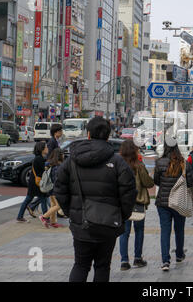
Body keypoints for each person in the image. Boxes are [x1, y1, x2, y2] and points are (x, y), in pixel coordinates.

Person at [54, 116, 137, 282]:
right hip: (108, 222)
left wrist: (72, 211)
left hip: (81, 222)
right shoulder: (117, 162)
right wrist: (122, 215)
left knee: (80, 265)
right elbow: (129, 192)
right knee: (102, 266)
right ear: (107, 136)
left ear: (88, 134)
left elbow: (59, 187)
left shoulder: (72, 161)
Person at [154, 142, 193, 272]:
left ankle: (165, 261)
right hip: (179, 202)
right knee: (179, 229)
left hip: (163, 203)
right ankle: (179, 255)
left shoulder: (159, 162)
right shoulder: (184, 163)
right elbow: (190, 182)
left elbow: (156, 181)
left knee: (165, 231)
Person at [119, 140, 154, 271]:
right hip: (138, 202)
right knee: (139, 230)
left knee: (124, 232)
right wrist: (150, 177)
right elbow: (149, 183)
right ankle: (137, 259)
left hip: (123, 203)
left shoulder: (119, 165)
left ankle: (124, 261)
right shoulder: (139, 165)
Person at [27, 123, 64, 216]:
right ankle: (50, 213)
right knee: (49, 190)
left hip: (52, 165)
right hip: (51, 166)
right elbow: (50, 155)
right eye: (61, 131)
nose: (62, 133)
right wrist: (51, 164)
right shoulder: (52, 141)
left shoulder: (55, 140)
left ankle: (45, 211)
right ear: (56, 132)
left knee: (48, 192)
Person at [16, 142, 49, 223]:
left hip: (33, 182)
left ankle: (20, 216)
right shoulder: (39, 159)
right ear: (42, 149)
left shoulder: (38, 158)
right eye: (46, 147)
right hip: (37, 183)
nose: (47, 148)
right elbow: (42, 171)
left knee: (29, 199)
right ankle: (46, 218)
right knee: (43, 199)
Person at [38, 148, 65, 228]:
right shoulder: (57, 166)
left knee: (53, 205)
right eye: (62, 154)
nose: (64, 155)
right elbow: (56, 179)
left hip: (51, 188)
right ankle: (44, 217)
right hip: (55, 189)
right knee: (59, 205)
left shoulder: (51, 164)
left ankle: (53, 222)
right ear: (60, 155)